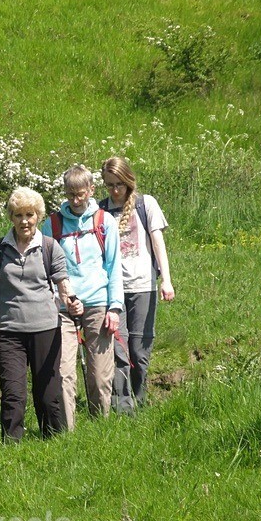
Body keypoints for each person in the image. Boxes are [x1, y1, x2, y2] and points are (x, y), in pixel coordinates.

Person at [0, 187, 80, 441]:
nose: (24, 221)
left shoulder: (50, 247)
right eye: (18, 215)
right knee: (13, 394)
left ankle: (53, 443)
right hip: (9, 331)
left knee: (48, 394)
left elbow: (63, 283)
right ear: (10, 217)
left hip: (45, 329)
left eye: (29, 215)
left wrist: (72, 302)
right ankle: (12, 447)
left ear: (38, 216)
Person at [41, 165, 124, 430]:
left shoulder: (104, 222)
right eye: (70, 194)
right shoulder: (52, 225)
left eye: (80, 194)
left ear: (91, 190)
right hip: (63, 307)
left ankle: (101, 429)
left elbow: (113, 267)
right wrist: (58, 297)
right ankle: (68, 433)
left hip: (98, 304)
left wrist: (115, 308)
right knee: (64, 372)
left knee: (99, 374)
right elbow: (44, 270)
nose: (75, 200)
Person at [100, 157, 175, 410]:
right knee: (119, 350)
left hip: (143, 286)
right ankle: (123, 407)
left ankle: (140, 399)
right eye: (109, 185)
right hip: (113, 291)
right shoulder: (100, 211)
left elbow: (158, 244)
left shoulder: (146, 204)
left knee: (139, 351)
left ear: (129, 180)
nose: (115, 190)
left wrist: (166, 280)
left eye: (119, 184)